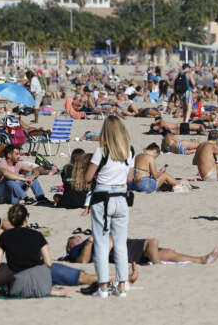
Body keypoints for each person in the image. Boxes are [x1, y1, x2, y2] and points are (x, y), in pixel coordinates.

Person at [84, 115, 133, 299]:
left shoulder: (101, 151)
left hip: (102, 199)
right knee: (121, 244)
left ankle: (103, 287)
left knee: (102, 243)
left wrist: (100, 176)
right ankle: (122, 286)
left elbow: (88, 177)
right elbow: (129, 178)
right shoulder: (129, 151)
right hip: (121, 197)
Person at [0, 204, 75, 298]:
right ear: (26, 218)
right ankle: (52, 289)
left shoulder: (4, 236)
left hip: (19, 287)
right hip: (42, 285)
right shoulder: (37, 235)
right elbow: (48, 262)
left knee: (8, 274)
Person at [65, 233, 218, 267]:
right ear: (70, 246)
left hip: (123, 245)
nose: (77, 237)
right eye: (74, 238)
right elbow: (83, 261)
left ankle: (201, 260)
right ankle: (157, 264)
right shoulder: (76, 250)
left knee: (169, 252)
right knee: (151, 242)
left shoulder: (85, 242)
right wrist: (89, 242)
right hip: (117, 249)